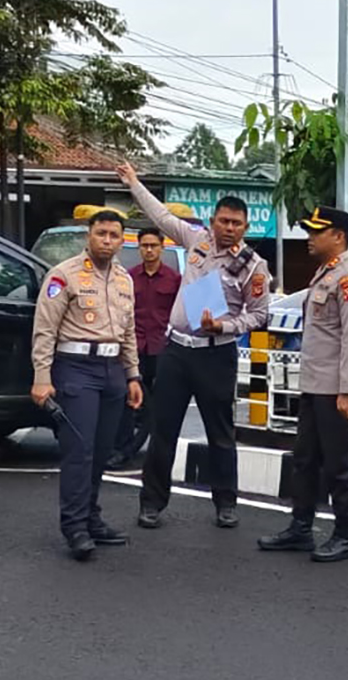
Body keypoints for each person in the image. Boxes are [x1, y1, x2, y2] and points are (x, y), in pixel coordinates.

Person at [116, 162, 271, 531]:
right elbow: (162, 216)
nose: (229, 228)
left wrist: (224, 325)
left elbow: (260, 314)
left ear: (245, 227)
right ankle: (151, 504)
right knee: (163, 430)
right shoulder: (196, 240)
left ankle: (226, 504)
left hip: (217, 353)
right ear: (212, 221)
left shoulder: (254, 266)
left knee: (220, 434)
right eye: (224, 221)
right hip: (177, 351)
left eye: (236, 223)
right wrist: (134, 183)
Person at [258, 206, 348, 563]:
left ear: (338, 236)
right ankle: (301, 527)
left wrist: (346, 391)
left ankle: (344, 536)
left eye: (317, 232)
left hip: (336, 389)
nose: (309, 237)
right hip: (314, 385)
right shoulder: (326, 273)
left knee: (338, 464)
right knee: (304, 460)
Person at [30, 210, 144, 561]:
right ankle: (75, 527)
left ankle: (92, 517)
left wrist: (133, 375)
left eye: (114, 235)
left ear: (121, 241)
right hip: (76, 368)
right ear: (88, 236)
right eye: (101, 233)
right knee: (78, 451)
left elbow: (128, 331)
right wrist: (42, 377)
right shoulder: (64, 275)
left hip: (112, 370)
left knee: (101, 450)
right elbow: (45, 329)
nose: (107, 240)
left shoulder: (124, 279)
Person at [109, 226, 180, 469]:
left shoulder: (174, 279)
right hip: (134, 348)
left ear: (162, 247)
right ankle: (124, 449)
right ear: (139, 248)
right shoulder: (128, 278)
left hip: (162, 349)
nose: (149, 250)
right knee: (128, 401)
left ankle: (153, 453)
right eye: (144, 246)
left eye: (153, 246)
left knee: (159, 405)